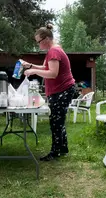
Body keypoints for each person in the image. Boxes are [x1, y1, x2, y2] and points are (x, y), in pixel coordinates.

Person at [22, 24, 76, 161]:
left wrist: (33, 71)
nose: (38, 44)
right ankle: (62, 148)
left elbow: (52, 73)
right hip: (61, 90)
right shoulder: (53, 50)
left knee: (56, 122)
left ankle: (55, 152)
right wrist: (31, 65)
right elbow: (46, 67)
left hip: (62, 90)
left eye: (38, 42)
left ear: (46, 39)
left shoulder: (54, 52)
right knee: (59, 120)